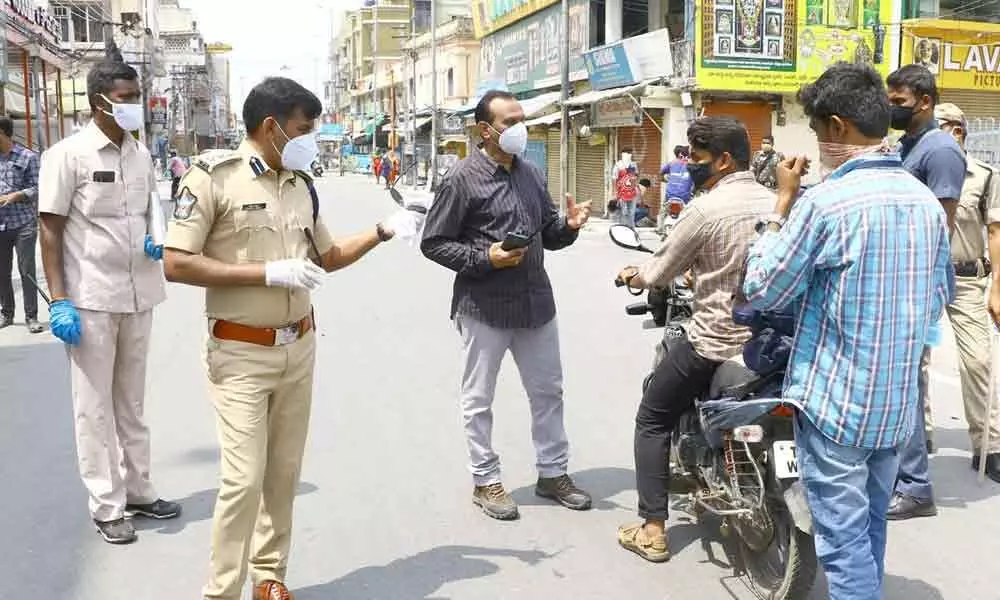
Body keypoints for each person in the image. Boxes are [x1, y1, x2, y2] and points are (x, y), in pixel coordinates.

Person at [163, 77, 412, 600]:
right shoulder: (214, 178)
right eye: (304, 129)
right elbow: (176, 262)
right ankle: (221, 591)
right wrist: (266, 274)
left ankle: (269, 576)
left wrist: (383, 231)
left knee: (283, 472)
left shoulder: (301, 183)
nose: (311, 139)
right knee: (242, 480)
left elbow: (326, 258)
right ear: (272, 126)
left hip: (298, 347)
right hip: (239, 352)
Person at [742, 62, 954, 600]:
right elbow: (939, 295)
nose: (816, 142)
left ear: (836, 127)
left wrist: (780, 207)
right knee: (869, 526)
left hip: (837, 405)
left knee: (840, 541)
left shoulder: (825, 203)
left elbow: (764, 287)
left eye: (816, 130)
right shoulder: (924, 202)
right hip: (893, 405)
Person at [420, 89, 593, 521]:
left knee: (548, 392)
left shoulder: (531, 173)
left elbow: (548, 234)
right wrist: (484, 259)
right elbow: (434, 242)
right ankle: (485, 479)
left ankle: (553, 473)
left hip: (536, 303)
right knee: (478, 399)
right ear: (486, 130)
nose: (520, 128)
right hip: (485, 306)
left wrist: (568, 227)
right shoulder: (462, 178)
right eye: (510, 121)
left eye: (521, 119)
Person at [614, 116, 774, 562]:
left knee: (652, 416)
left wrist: (633, 275)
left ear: (723, 160)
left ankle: (652, 529)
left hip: (715, 341)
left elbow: (657, 271)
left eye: (697, 160)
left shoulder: (705, 210)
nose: (691, 168)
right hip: (773, 347)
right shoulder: (780, 203)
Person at [37, 46, 180, 545]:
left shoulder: (140, 153)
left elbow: (149, 212)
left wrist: (156, 236)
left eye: (136, 96)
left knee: (132, 403)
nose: (133, 105)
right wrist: (59, 299)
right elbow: (49, 229)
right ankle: (107, 504)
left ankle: (140, 491)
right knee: (93, 407)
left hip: (140, 294)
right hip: (91, 299)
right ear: (100, 101)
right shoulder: (67, 156)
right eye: (125, 97)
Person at [886, 64, 967, 520]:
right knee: (897, 384)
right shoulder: (908, 145)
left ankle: (915, 487)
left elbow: (940, 226)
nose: (892, 109)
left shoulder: (940, 150)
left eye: (899, 103)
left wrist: (917, 288)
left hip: (916, 287)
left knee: (906, 386)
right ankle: (899, 474)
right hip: (898, 282)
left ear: (925, 102)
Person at [934, 102, 1000, 483]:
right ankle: (919, 433)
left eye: (943, 127)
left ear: (958, 132)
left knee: (978, 361)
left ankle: (988, 445)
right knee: (916, 364)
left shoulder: (984, 175)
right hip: (923, 278)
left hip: (967, 279)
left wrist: (997, 288)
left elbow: (995, 232)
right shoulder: (918, 169)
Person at [0, 114, 42, 333]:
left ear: (3, 133)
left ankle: (31, 317)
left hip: (24, 223)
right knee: (2, 272)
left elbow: (38, 188)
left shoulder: (28, 157)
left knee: (26, 270)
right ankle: (6, 313)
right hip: (1, 225)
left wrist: (17, 195)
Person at [658, 145, 693, 234]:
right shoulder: (692, 165)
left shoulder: (671, 164)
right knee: (690, 212)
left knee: (663, 211)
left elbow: (660, 174)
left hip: (670, 195)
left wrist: (666, 180)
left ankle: (660, 229)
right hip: (685, 196)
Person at [612, 148, 640, 227]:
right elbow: (614, 179)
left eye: (630, 153)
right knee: (623, 212)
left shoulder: (634, 164)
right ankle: (623, 228)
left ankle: (631, 228)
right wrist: (616, 192)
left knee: (632, 212)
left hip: (632, 193)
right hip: (622, 192)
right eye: (628, 153)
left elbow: (636, 176)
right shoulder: (618, 165)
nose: (630, 155)